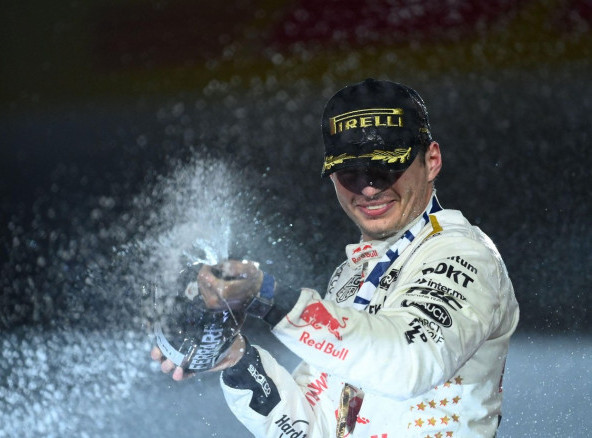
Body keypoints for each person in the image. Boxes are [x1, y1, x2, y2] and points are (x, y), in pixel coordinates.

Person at [152, 78, 520, 438]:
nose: (369, 187)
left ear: (432, 160)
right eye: (350, 172)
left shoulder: (463, 254)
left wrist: (267, 297)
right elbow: (317, 428)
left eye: (386, 165)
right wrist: (236, 360)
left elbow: (410, 364)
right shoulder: (352, 273)